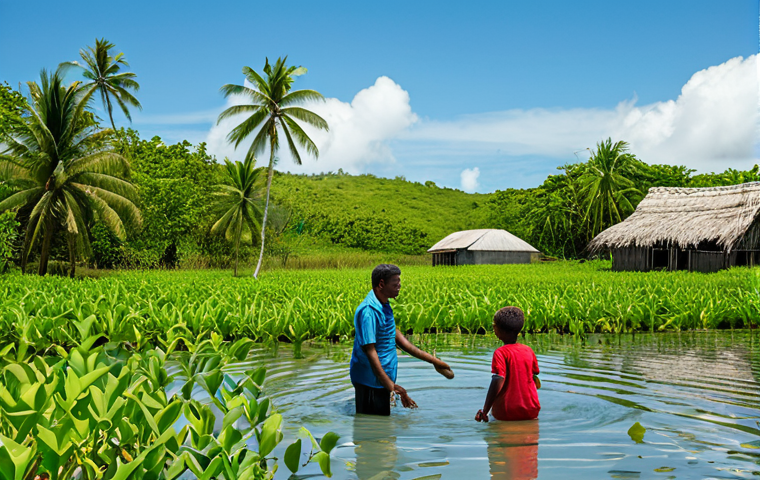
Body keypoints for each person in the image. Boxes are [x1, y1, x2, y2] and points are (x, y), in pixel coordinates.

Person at [350, 264, 454, 415]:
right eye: (395, 283)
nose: (399, 286)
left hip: (381, 380)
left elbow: (398, 338)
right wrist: (392, 387)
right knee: (373, 429)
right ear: (381, 284)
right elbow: (370, 352)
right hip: (370, 381)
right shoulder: (368, 312)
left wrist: (433, 361)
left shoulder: (383, 304)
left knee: (381, 427)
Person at [475, 306, 540, 422]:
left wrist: (485, 410)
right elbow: (535, 373)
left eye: (494, 324)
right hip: (532, 410)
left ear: (497, 329)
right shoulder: (528, 350)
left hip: (506, 411)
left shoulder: (500, 353)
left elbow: (498, 379)